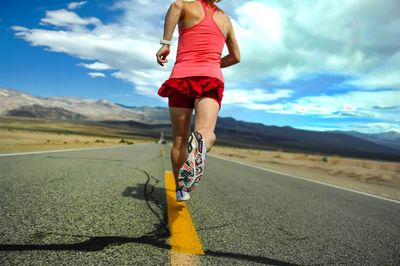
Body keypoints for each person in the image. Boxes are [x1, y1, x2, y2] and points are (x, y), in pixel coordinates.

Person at [156, 0, 240, 201]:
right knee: (206, 131)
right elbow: (236, 57)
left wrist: (166, 44)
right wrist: (210, 62)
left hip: (181, 77)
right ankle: (200, 143)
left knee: (179, 140)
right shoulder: (225, 19)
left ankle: (181, 188)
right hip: (210, 77)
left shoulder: (187, 5)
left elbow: (175, 6)